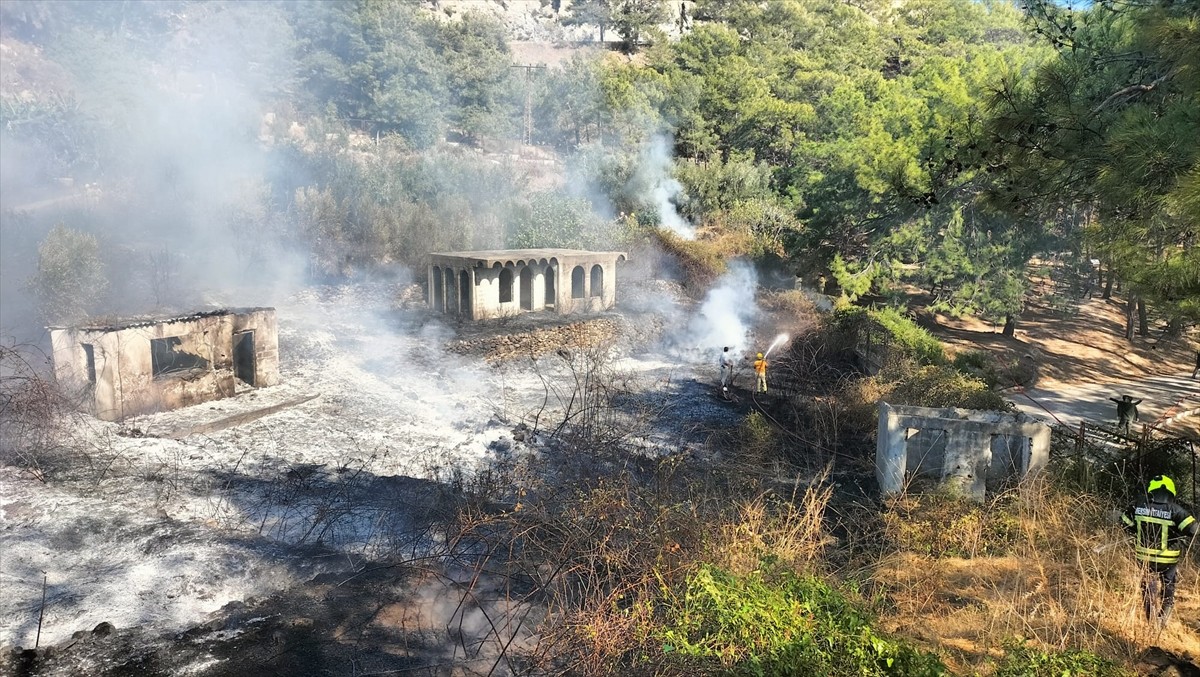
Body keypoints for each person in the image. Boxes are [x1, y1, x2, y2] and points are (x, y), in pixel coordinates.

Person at [1121, 475, 1197, 625]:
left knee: (1148, 586)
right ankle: (1164, 616)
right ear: (1170, 491)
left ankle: (1151, 617)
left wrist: (1137, 531)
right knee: (1169, 585)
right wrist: (1178, 534)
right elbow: (1193, 529)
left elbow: (1124, 523)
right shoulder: (1175, 510)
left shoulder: (1139, 505)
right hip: (1168, 558)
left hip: (1144, 557)